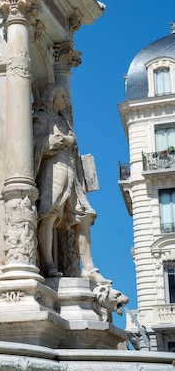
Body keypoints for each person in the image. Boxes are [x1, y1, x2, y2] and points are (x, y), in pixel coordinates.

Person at [33, 83, 110, 283]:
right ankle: (48, 264)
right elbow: (31, 144)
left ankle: (89, 267)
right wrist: (51, 143)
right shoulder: (41, 119)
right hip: (52, 171)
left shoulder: (63, 121)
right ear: (51, 98)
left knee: (83, 216)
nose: (66, 100)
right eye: (62, 96)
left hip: (71, 173)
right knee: (49, 214)